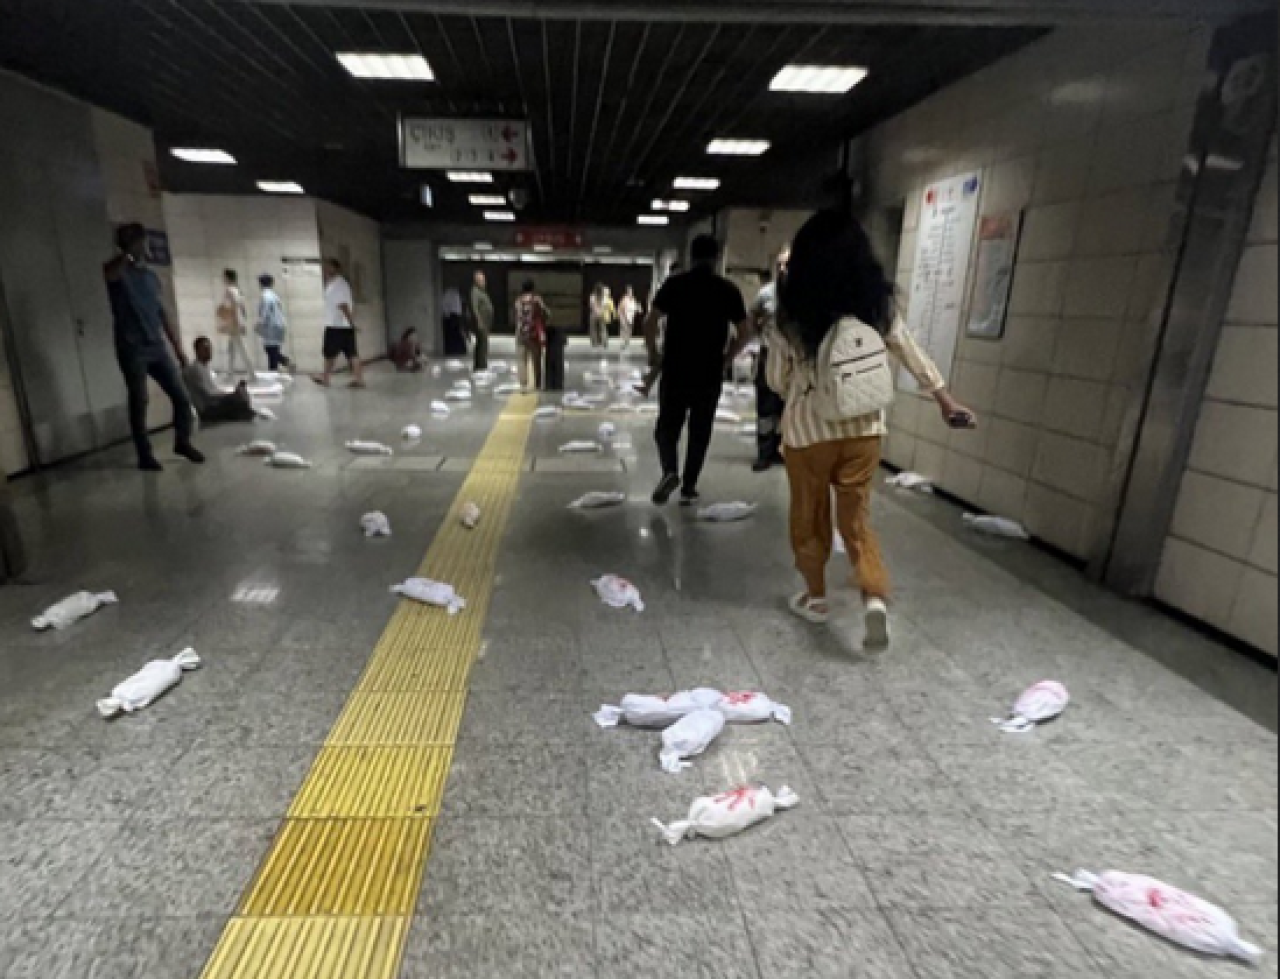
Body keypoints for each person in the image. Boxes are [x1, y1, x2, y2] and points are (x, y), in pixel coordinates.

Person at [768, 209, 976, 647]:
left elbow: (777, 380)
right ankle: (873, 595)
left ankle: (816, 597)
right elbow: (909, 351)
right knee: (856, 515)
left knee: (809, 515)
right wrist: (945, 400)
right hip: (865, 428)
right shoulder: (875, 304)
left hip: (808, 432)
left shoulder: (792, 310)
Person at [642, 235, 750, 506]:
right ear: (716, 259)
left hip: (676, 368)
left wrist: (654, 353)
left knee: (667, 428)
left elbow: (650, 321)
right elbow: (745, 332)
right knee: (700, 430)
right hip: (709, 371)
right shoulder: (728, 290)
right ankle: (689, 485)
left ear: (691, 257)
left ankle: (669, 471)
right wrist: (727, 358)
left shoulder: (675, 284)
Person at [104, 223, 204, 471]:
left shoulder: (150, 277)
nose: (145, 247)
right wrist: (127, 254)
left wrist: (177, 348)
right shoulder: (118, 272)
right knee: (139, 400)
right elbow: (110, 275)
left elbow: (162, 313)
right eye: (141, 242)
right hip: (132, 347)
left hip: (156, 345)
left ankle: (182, 441)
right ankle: (144, 455)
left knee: (181, 396)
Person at [750, 248, 790, 472]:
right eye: (779, 265)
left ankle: (782, 450)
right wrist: (760, 336)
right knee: (766, 407)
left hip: (794, 359)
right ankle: (764, 453)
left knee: (788, 407)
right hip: (769, 354)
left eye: (787, 265)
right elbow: (752, 317)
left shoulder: (804, 293)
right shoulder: (766, 294)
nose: (783, 269)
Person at [313, 259, 365, 389]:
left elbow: (343, 305)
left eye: (328, 267)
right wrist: (350, 323)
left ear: (336, 268)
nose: (326, 269)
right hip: (343, 326)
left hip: (336, 326)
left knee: (330, 353)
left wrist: (351, 322)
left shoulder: (338, 285)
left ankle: (326, 378)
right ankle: (358, 380)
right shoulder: (336, 284)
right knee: (352, 353)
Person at [184, 337, 256, 423]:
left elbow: (213, 390)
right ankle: (242, 412)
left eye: (210, 349)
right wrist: (231, 395)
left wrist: (231, 394)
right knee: (239, 398)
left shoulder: (203, 367)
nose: (209, 352)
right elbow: (209, 395)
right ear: (197, 351)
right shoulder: (196, 369)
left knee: (241, 395)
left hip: (213, 405)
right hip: (207, 410)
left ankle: (242, 411)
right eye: (205, 349)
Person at [513, 280, 549, 391]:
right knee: (536, 359)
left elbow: (516, 316)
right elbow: (546, 313)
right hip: (534, 334)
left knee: (521, 359)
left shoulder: (518, 301)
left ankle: (523, 384)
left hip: (520, 333)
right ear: (533, 288)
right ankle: (537, 384)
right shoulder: (537, 300)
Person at [216, 270, 254, 376]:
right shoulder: (237, 290)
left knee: (242, 348)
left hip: (234, 322)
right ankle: (230, 371)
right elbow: (242, 308)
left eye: (224, 277)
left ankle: (251, 373)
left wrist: (234, 323)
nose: (222, 279)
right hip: (237, 321)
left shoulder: (229, 291)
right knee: (232, 347)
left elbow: (232, 308)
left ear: (227, 278)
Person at [256, 274, 291, 372]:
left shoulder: (265, 296)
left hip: (271, 326)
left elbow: (265, 312)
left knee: (271, 351)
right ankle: (285, 362)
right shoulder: (275, 296)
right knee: (272, 350)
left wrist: (259, 324)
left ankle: (273, 373)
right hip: (279, 325)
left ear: (260, 284)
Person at [470, 271, 495, 371]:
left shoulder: (482, 291)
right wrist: (479, 321)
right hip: (481, 322)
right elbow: (474, 307)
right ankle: (481, 365)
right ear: (476, 281)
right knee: (482, 343)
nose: (484, 282)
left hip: (486, 321)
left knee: (483, 342)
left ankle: (481, 363)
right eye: (481, 280)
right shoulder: (475, 292)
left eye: (484, 280)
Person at [443, 285, 466, 356]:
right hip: (452, 315)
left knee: (455, 333)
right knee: (454, 333)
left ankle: (456, 349)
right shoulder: (450, 293)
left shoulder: (455, 294)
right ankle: (454, 350)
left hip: (454, 315)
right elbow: (445, 305)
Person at [618, 285, 643, 350]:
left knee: (629, 331)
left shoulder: (633, 299)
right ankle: (623, 343)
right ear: (627, 292)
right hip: (624, 317)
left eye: (631, 291)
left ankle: (626, 342)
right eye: (629, 291)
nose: (631, 293)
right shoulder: (624, 299)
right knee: (624, 330)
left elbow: (636, 308)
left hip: (630, 318)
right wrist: (622, 317)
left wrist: (639, 308)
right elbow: (620, 308)